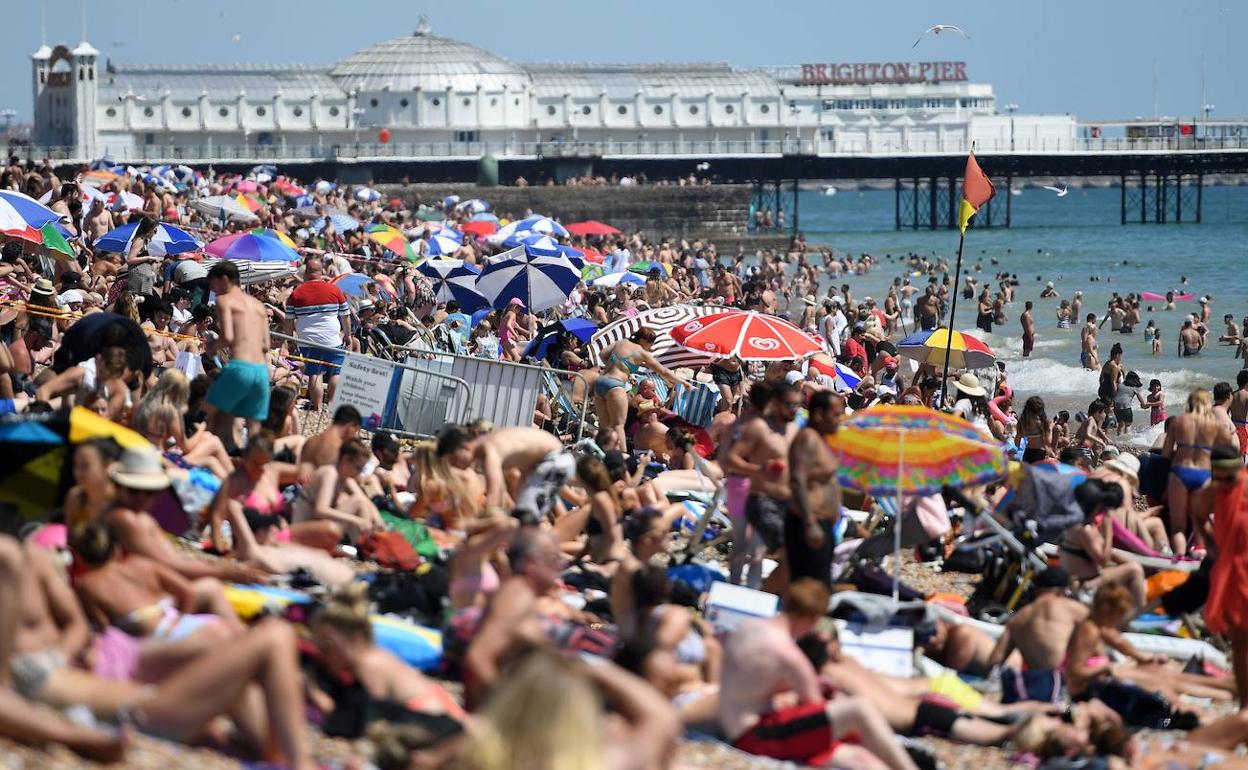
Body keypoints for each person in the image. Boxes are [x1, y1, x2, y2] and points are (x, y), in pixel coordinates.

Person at [718, 579, 919, 770]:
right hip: (756, 736)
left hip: (736, 725)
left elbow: (753, 680)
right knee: (860, 708)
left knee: (858, 758)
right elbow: (816, 710)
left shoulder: (747, 628)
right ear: (812, 618)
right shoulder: (790, 656)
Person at [989, 567, 1088, 703]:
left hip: (1030, 683)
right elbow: (1099, 634)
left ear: (1037, 588)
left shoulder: (1019, 617)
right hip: (1055, 683)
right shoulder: (1071, 608)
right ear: (1063, 590)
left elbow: (996, 658)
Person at [437, 424, 569, 524]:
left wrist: (480, 524)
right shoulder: (486, 448)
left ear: (465, 447)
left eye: (454, 460)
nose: (457, 467)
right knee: (523, 517)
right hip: (545, 463)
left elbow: (493, 494)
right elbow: (501, 493)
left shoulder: (489, 449)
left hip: (554, 460)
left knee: (527, 518)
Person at [204, 260, 272, 441]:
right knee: (253, 427)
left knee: (208, 413)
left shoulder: (224, 300)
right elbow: (266, 345)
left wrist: (212, 347)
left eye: (214, 285)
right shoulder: (259, 305)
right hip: (261, 371)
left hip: (241, 367)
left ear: (224, 279)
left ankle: (205, 458)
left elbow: (228, 336)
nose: (214, 291)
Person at [1163, 388, 1237, 554]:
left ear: (1190, 402)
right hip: (1204, 475)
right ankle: (1199, 556)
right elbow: (1230, 444)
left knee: (1178, 527)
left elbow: (1166, 453)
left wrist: (1180, 452)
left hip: (1180, 472)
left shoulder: (1179, 421)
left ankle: (1179, 559)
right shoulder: (1214, 425)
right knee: (1199, 522)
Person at [594, 328, 686, 453]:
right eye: (651, 344)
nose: (651, 347)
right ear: (643, 340)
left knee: (604, 427)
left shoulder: (622, 342)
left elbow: (602, 354)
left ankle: (599, 454)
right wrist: (684, 383)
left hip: (601, 382)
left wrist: (618, 366)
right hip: (615, 385)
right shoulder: (641, 352)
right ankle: (623, 457)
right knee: (618, 426)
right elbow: (664, 371)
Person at [787, 390, 845, 587]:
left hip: (821, 522)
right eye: (836, 415)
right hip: (807, 522)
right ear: (819, 414)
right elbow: (797, 479)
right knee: (812, 586)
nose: (840, 420)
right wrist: (810, 523)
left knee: (818, 584)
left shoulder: (820, 439)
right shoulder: (808, 438)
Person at [285, 256, 350, 412]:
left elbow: (288, 320)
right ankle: (332, 405)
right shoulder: (335, 290)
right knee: (336, 371)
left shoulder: (296, 293)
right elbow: (345, 315)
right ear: (322, 272)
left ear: (306, 273)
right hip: (332, 340)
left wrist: (290, 339)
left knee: (315, 373)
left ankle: (318, 407)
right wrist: (348, 334)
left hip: (307, 341)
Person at [1231, 369, 1248, 457]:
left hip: (1232, 426)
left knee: (1234, 452)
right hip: (1242, 427)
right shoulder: (1246, 395)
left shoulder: (1231, 395)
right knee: (1242, 454)